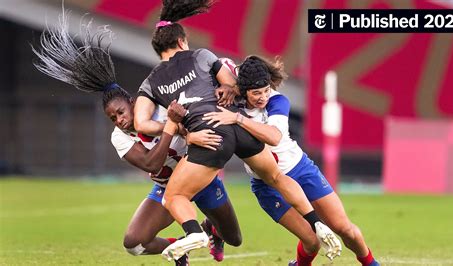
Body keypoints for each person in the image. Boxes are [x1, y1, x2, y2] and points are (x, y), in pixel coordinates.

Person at [133, 0, 339, 261]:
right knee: (275, 176)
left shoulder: (151, 82)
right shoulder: (203, 56)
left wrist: (178, 128)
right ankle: (316, 221)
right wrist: (224, 91)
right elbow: (232, 86)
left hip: (208, 136)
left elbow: (141, 124)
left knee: (174, 196)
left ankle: (194, 232)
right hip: (236, 125)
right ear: (183, 41)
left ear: (158, 50)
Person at [30, 12, 242, 265]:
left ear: (134, 103)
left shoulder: (159, 107)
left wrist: (185, 128)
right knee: (134, 243)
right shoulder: (120, 137)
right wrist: (171, 127)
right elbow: (152, 164)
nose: (119, 120)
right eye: (112, 118)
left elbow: (192, 123)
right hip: (166, 188)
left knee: (234, 237)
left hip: (199, 177)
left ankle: (212, 230)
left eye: (120, 112)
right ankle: (179, 247)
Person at [201, 55, 380, 266]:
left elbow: (275, 137)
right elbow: (214, 66)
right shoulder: (231, 105)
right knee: (312, 241)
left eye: (266, 90)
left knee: (344, 228)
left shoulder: (277, 101)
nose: (263, 97)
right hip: (267, 185)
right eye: (256, 93)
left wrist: (239, 120)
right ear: (244, 90)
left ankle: (371, 263)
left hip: (301, 170)